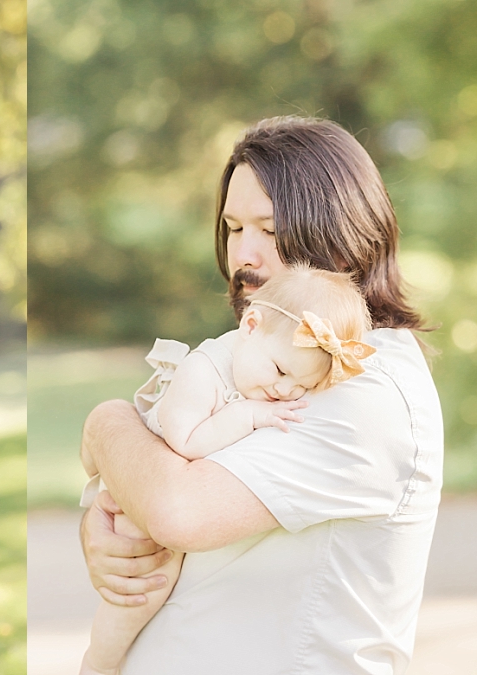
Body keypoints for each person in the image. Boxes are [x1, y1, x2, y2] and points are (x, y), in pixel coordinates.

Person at [79, 116, 443, 674]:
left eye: (270, 231)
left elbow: (180, 510)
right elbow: (153, 484)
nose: (243, 255)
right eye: (232, 228)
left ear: (344, 236)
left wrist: (104, 425)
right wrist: (108, 536)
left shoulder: (362, 384)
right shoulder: (268, 355)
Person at [79, 265, 376, 675]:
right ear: (251, 325)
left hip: (175, 484)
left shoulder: (263, 364)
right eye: (281, 372)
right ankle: (99, 662)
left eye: (302, 387)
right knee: (142, 587)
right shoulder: (204, 371)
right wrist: (248, 415)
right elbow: (187, 442)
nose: (286, 391)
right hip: (145, 489)